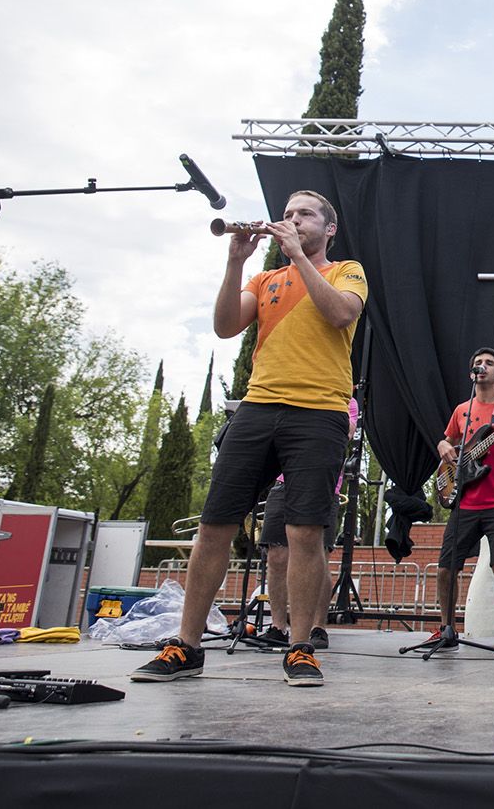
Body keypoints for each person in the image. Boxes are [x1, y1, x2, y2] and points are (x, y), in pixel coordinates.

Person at [134, 191, 366, 687]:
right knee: (214, 525)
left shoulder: (346, 271)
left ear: (329, 228)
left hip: (319, 411)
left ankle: (300, 647)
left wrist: (299, 256)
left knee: (304, 532)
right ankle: (187, 645)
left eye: (304, 214)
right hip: (258, 406)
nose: (292, 220)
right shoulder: (264, 280)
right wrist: (235, 262)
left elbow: (341, 314)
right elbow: (224, 327)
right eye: (287, 214)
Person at [422, 348, 494, 653]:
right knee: (446, 567)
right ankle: (447, 628)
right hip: (466, 501)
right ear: (471, 373)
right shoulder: (462, 410)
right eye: (478, 363)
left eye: (489, 363)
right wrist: (443, 445)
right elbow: (448, 442)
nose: (482, 366)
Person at [257, 397, 356, 652]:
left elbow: (344, 433)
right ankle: (278, 627)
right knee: (276, 555)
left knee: (317, 554)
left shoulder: (348, 402)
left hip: (322, 484)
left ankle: (317, 627)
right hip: (283, 482)